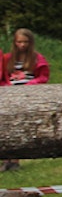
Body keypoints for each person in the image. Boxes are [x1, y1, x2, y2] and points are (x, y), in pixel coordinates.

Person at [1, 28, 48, 171]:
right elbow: (3, 77)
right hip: (10, 94)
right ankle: (5, 160)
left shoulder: (37, 58)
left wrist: (30, 85)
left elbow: (43, 77)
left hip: (28, 95)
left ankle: (16, 159)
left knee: (19, 126)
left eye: (25, 42)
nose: (22, 45)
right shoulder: (7, 58)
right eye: (19, 42)